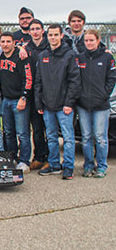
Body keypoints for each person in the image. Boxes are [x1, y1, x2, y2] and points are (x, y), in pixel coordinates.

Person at [35, 24, 80, 180]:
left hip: (64, 106)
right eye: (50, 35)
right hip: (47, 105)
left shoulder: (69, 55)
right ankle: (54, 164)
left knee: (67, 138)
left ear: (61, 36)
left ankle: (68, 167)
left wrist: (69, 103)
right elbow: (38, 81)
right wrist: (39, 102)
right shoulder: (43, 55)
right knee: (52, 137)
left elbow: (74, 81)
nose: (52, 38)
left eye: (55, 35)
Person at [76, 29, 116, 178]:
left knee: (100, 137)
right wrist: (80, 97)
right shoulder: (80, 58)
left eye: (91, 40)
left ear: (98, 41)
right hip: (83, 105)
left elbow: (112, 79)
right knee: (86, 138)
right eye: (86, 40)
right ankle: (88, 165)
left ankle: (102, 166)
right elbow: (76, 79)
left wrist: (104, 95)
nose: (89, 43)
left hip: (101, 105)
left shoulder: (107, 57)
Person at [0, 32, 33, 173]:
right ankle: (12, 157)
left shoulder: (21, 57)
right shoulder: (1, 56)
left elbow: (28, 79)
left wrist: (23, 97)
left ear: (14, 43)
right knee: (8, 132)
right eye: (3, 42)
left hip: (18, 100)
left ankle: (24, 161)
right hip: (6, 99)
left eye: (8, 41)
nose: (5, 44)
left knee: (23, 133)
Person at [27, 19, 49, 170]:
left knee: (51, 129)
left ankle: (51, 158)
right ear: (29, 32)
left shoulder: (50, 47)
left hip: (49, 92)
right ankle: (39, 157)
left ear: (42, 31)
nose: (35, 31)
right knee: (37, 128)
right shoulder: (26, 48)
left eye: (37, 29)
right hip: (33, 92)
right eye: (32, 29)